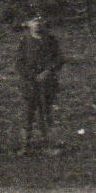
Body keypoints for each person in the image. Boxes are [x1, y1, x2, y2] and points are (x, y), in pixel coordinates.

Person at [16, 14, 64, 149]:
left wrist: (47, 72)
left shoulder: (50, 41)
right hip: (29, 84)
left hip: (47, 83)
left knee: (45, 113)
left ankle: (48, 146)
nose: (37, 24)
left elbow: (59, 59)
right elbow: (19, 63)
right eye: (34, 21)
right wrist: (32, 76)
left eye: (40, 21)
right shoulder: (24, 41)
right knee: (27, 115)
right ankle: (25, 146)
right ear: (28, 24)